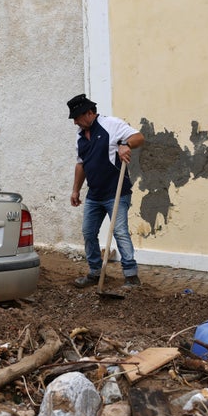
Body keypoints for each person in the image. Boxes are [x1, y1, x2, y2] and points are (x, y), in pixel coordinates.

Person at [67, 94, 145, 289]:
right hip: (94, 194)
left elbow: (139, 137)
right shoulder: (80, 138)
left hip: (116, 191)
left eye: (77, 117)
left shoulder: (111, 124)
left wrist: (125, 145)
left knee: (119, 232)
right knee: (88, 232)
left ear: (90, 113)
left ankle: (131, 276)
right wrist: (75, 190)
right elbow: (81, 165)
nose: (75, 122)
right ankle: (94, 272)